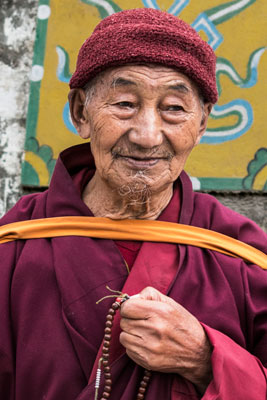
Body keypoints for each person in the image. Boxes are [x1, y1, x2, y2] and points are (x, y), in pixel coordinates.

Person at [0, 8, 266, 400]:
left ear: (203, 124)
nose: (146, 135)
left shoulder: (241, 254)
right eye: (124, 103)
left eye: (174, 109)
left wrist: (205, 358)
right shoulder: (14, 245)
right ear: (81, 112)